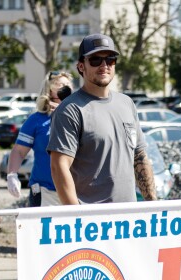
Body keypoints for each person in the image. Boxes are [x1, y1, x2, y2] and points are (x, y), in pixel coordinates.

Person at [48, 33, 156, 204]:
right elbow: (59, 167)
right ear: (81, 66)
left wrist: (153, 206)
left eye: (110, 59)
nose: (104, 65)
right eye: (95, 60)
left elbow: (139, 157)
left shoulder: (127, 103)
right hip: (93, 224)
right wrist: (77, 219)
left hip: (129, 219)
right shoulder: (70, 110)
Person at [6, 70, 73, 207]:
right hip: (45, 192)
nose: (66, 88)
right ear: (49, 89)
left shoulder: (77, 117)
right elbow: (19, 151)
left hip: (75, 191)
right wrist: (11, 175)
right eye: (60, 84)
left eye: (68, 84)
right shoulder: (37, 120)